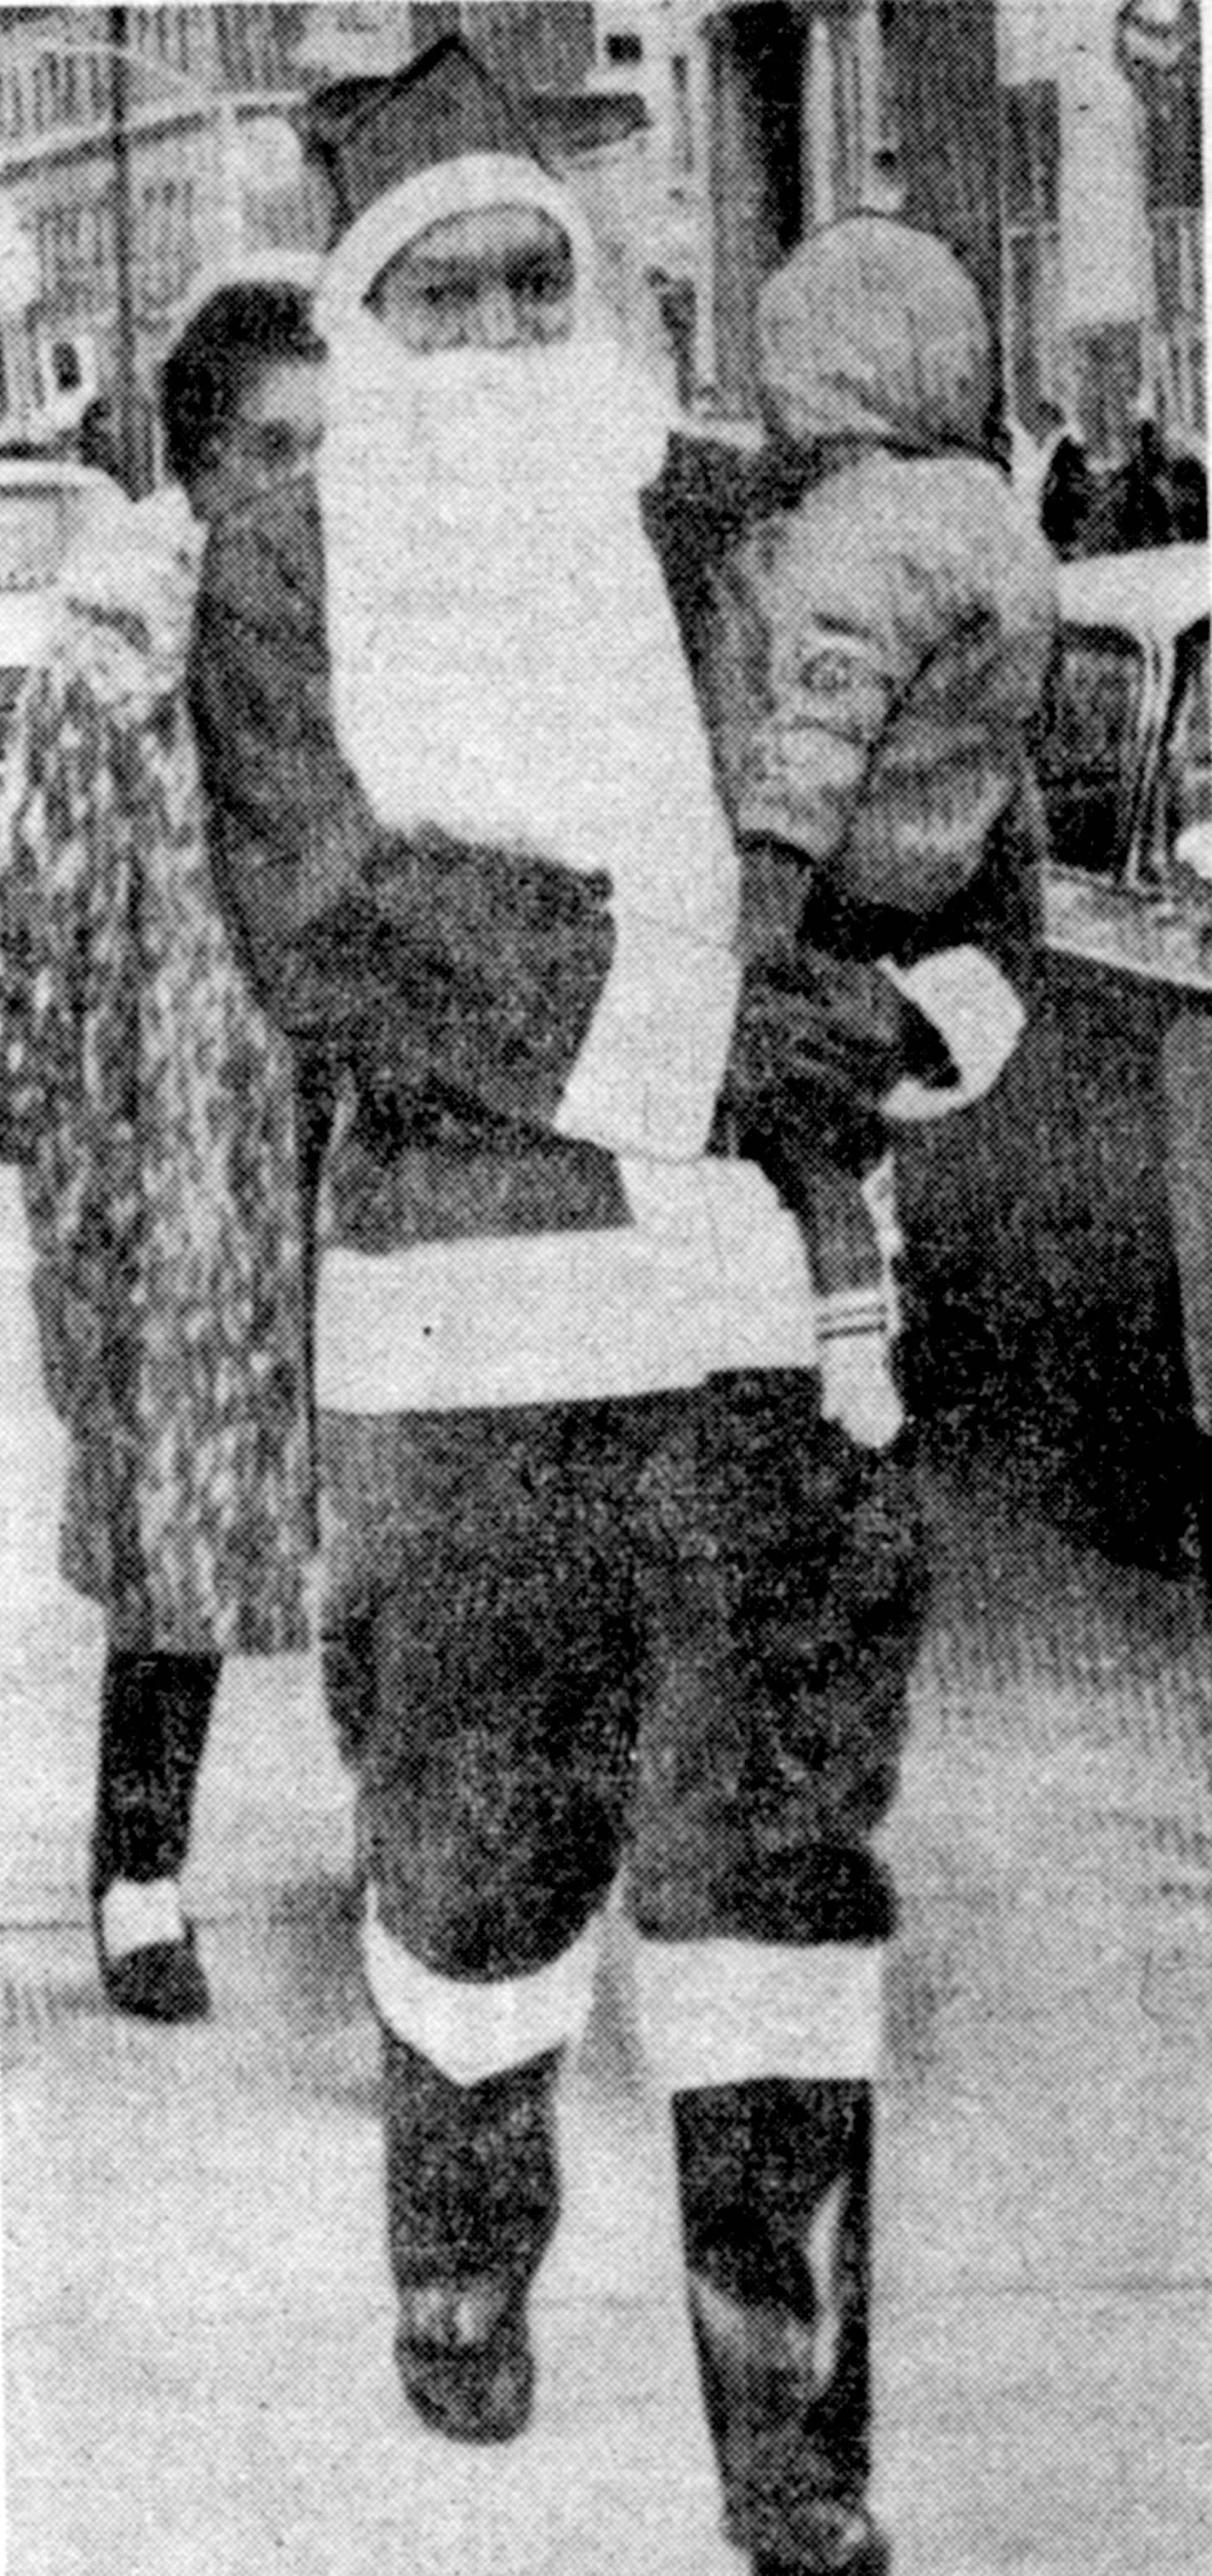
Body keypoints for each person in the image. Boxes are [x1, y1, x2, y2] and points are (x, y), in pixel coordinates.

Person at [187, 39, 994, 2575]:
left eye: (546, 273)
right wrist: (713, 1035)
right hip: (459, 1345)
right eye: (451, 290)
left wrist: (906, 1034)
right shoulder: (282, 567)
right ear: (368, 318)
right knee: (472, 1854)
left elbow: (945, 848)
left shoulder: (734, 524)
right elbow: (342, 926)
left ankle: (797, 2445)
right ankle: (461, 2241)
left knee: (776, 1888)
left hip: (767, 1327)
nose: (511, 322)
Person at [0, 268, 325, 2025]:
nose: (303, 481)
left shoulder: (374, 620)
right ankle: (139, 1871)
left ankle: (419, 1864)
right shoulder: (120, 648)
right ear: (201, 460)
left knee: (402, 1514)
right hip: (181, 1138)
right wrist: (75, 1177)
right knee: (176, 1530)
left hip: (351, 1125)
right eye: (274, 448)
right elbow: (40, 929)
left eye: (327, 450)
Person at [696, 214, 1057, 1414]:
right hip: (946, 875)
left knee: (792, 1100)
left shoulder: (859, 532)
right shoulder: (995, 517)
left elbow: (815, 740)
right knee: (854, 1097)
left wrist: (753, 918)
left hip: (836, 876)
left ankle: (851, 1319)